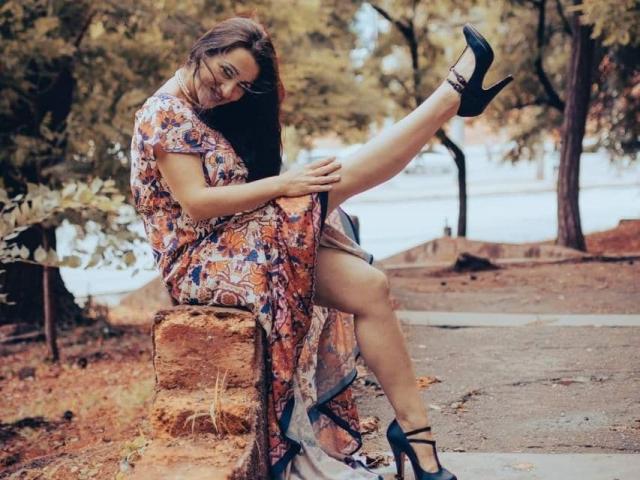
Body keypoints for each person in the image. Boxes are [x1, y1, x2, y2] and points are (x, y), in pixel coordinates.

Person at [129, 15, 512, 480]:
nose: (229, 91)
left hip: (240, 244)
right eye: (226, 73)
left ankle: (416, 437)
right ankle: (452, 96)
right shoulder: (164, 112)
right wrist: (284, 184)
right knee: (327, 182)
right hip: (202, 263)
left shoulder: (198, 110)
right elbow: (196, 203)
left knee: (369, 287)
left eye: (242, 85)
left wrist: (285, 184)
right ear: (204, 49)